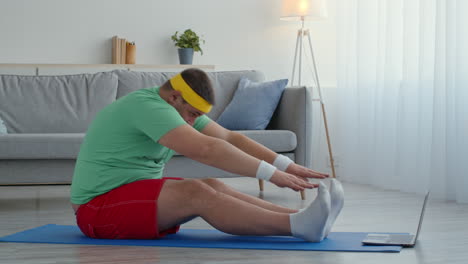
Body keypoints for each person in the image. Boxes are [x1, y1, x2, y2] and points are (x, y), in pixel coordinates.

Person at [70, 68, 344, 242]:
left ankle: (305, 216)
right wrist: (273, 175)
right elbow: (207, 149)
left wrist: (287, 165)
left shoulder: (173, 107)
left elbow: (228, 137)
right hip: (97, 209)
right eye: (192, 115)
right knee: (196, 194)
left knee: (211, 186)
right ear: (175, 97)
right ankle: (297, 225)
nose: (192, 122)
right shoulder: (148, 107)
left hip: (129, 195)